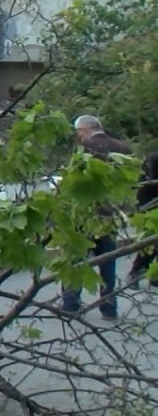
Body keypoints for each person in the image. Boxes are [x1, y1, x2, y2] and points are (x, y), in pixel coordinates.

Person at [63, 114, 133, 321]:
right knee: (107, 262)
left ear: (82, 131)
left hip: (84, 215)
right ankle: (109, 307)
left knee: (76, 260)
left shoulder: (84, 151)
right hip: (110, 215)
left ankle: (71, 304)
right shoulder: (123, 148)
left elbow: (72, 183)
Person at [128, 152, 158, 286]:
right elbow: (148, 181)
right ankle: (136, 271)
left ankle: (153, 274)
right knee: (150, 243)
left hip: (149, 202)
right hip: (150, 204)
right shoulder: (154, 158)